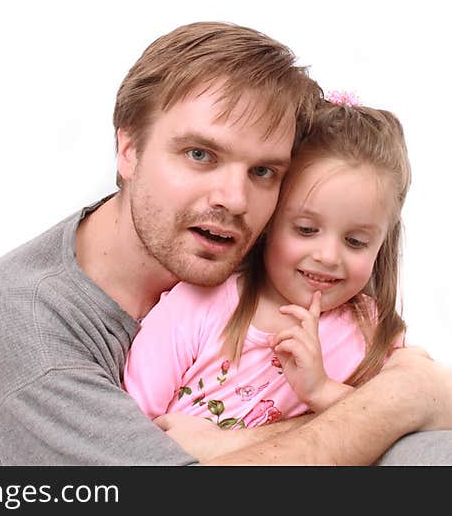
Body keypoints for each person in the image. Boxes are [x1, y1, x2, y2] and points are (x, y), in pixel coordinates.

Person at [0, 21, 452, 465]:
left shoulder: (263, 254)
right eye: (200, 155)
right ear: (128, 148)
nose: (234, 199)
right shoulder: (26, 314)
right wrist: (397, 403)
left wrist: (387, 407)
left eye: (262, 170)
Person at [124, 92, 411, 434]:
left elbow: (401, 433)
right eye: (306, 230)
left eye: (355, 242)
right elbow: (127, 430)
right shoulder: (197, 305)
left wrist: (321, 391)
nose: (328, 256)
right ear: (270, 220)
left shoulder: (373, 333)